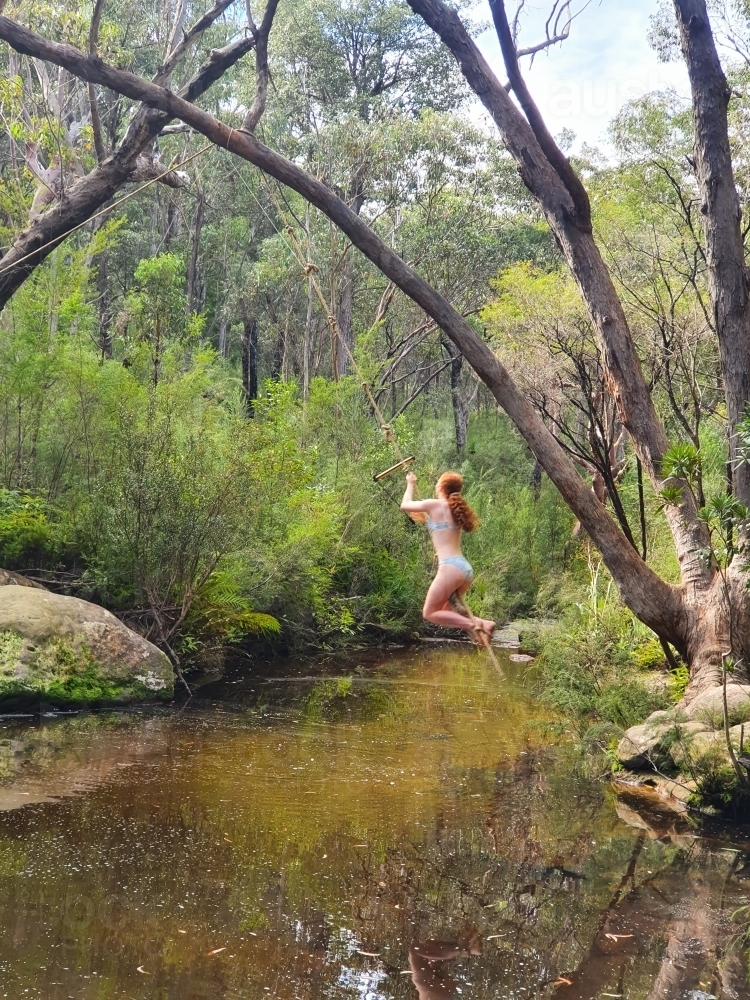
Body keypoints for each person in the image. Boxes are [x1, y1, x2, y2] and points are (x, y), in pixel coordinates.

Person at [401, 471, 495, 644]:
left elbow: (405, 505)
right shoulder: (454, 509)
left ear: (442, 486)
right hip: (464, 569)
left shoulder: (436, 504)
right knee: (446, 611)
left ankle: (480, 624)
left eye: (437, 482)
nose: (435, 484)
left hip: (450, 568)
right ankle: (478, 624)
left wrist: (410, 483)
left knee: (429, 613)